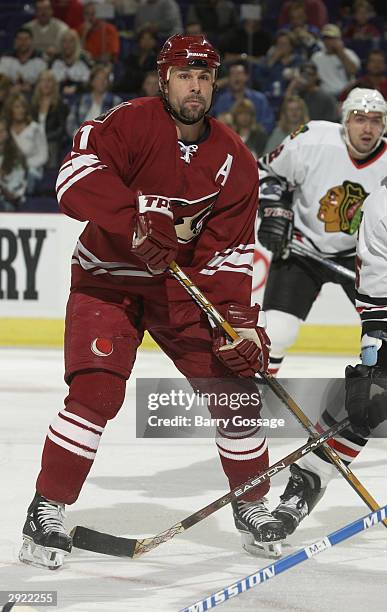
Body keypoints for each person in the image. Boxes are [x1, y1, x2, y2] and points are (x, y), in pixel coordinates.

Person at [19, 34, 282, 571]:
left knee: (235, 393)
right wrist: (135, 217)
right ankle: (46, 508)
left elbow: (231, 253)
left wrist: (238, 322)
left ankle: (253, 505)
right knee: (96, 390)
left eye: (205, 76)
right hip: (107, 280)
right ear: (164, 78)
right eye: (186, 75)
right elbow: (74, 180)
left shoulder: (235, 158)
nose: (197, 86)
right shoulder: (129, 123)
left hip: (177, 288)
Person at [256, 88, 387, 535]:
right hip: (308, 253)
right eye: (360, 118)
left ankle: (313, 472)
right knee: (278, 333)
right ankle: (253, 405)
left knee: (375, 386)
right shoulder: (312, 139)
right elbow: (268, 172)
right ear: (345, 119)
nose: (367, 127)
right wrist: (274, 207)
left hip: (364, 260)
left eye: (375, 119)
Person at [212, 61, 275, 134]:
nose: (236, 77)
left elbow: (268, 125)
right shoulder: (222, 100)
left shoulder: (259, 99)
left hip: (255, 142)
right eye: (232, 74)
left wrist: (251, 131)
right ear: (228, 78)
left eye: (239, 73)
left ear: (246, 77)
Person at [4, 93, 48, 194]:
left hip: (31, 171)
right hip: (9, 171)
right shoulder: (6, 131)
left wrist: (25, 166)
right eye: (17, 107)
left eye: (23, 107)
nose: (21, 110)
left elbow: (43, 156)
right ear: (10, 109)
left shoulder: (34, 128)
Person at [66, 65, 122, 137]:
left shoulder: (116, 101)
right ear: (92, 82)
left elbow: (119, 126)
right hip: (82, 141)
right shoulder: (81, 100)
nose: (102, 82)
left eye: (105, 79)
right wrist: (78, 135)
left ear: (108, 82)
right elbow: (70, 121)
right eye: (98, 79)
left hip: (105, 142)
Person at [31, 70, 69, 168]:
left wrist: (43, 138)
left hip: (51, 140)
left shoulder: (60, 104)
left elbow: (62, 129)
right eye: (43, 81)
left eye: (49, 81)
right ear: (39, 84)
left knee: (52, 146)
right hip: (34, 140)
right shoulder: (33, 104)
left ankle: (50, 176)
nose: (46, 84)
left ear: (54, 84)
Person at [311, 24, 361, 97]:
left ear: (339, 39)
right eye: (325, 38)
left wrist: (340, 52)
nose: (328, 41)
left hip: (345, 94)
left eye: (331, 38)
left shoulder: (349, 53)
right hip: (325, 95)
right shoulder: (316, 57)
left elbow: (353, 71)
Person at [0, 28, 47, 94]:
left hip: (34, 94)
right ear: (15, 41)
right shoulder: (6, 57)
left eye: (26, 39)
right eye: (20, 39)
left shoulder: (40, 58)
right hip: (10, 93)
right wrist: (10, 87)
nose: (23, 42)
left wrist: (32, 87)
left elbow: (44, 79)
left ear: (31, 40)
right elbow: (1, 77)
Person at [51, 29, 91, 96]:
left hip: (80, 96)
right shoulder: (55, 60)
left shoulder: (84, 60)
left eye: (71, 41)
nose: (67, 45)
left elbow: (89, 83)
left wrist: (76, 88)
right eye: (64, 41)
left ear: (76, 43)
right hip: (57, 97)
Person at [0, 118, 27, 212]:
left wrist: (3, 185)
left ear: (7, 134)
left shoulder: (16, 157)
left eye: (2, 131)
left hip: (8, 201)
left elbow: (16, 189)